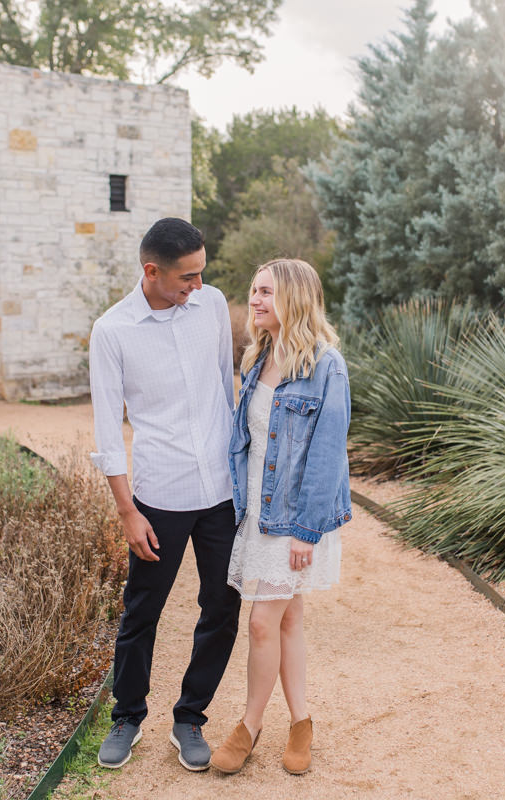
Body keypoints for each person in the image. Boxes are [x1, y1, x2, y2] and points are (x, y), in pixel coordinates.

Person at [88, 218, 240, 772]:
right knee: (141, 611)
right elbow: (107, 432)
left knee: (222, 608)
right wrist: (127, 510)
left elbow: (225, 391)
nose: (197, 287)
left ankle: (190, 717)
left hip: (222, 492)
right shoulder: (112, 332)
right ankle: (127, 716)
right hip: (159, 494)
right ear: (151, 271)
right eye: (186, 278)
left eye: (202, 274)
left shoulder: (213, 304)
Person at [209, 258, 352, 776]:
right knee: (288, 618)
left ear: (293, 297)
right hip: (256, 513)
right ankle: (301, 721)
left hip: (294, 521)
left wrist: (307, 531)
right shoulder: (259, 355)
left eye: (266, 291)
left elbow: (328, 452)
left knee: (261, 622)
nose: (255, 299)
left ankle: (248, 726)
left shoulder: (325, 365)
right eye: (253, 290)